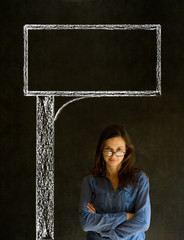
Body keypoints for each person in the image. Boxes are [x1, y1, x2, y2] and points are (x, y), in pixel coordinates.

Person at [79, 124, 151, 240]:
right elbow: (86, 223)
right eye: (108, 149)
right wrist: (126, 216)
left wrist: (104, 231)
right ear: (101, 150)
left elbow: (143, 222)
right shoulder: (89, 181)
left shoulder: (139, 179)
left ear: (126, 151)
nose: (113, 155)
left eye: (119, 150)